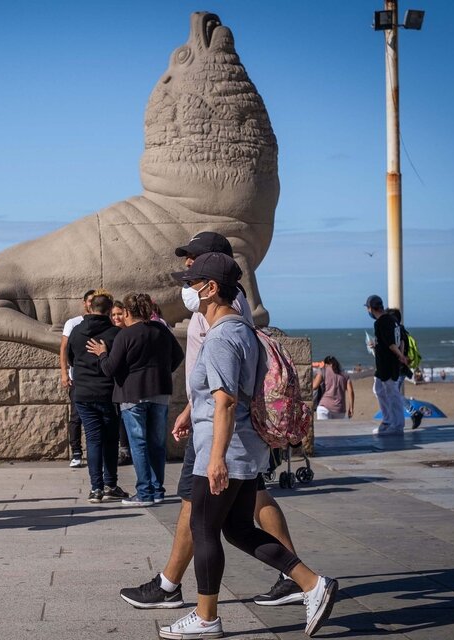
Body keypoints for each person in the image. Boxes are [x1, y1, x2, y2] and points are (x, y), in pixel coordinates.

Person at [121, 231, 304, 612]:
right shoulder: (225, 307)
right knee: (241, 510)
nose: (187, 269)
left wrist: (215, 450)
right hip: (217, 423)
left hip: (221, 431)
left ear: (211, 278)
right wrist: (191, 408)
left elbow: (224, 386)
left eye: (194, 261)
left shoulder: (222, 313)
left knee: (200, 514)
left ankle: (180, 593)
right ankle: (298, 577)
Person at [158, 252, 337, 639]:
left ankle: (206, 619)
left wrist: (216, 458)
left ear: (210, 289)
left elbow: (225, 400)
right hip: (246, 448)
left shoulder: (222, 336)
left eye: (191, 283)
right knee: (237, 530)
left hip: (224, 450)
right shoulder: (244, 330)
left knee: (205, 528)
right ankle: (312, 584)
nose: (186, 289)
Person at [88, 293, 184, 506]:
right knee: (157, 444)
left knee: (138, 444)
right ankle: (158, 490)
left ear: (128, 312)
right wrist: (162, 371)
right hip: (160, 393)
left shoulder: (126, 335)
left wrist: (102, 353)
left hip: (133, 394)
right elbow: (178, 356)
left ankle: (144, 493)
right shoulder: (161, 330)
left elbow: (109, 369)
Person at [67, 293, 130, 503]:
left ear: (89, 307)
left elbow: (71, 359)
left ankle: (96, 489)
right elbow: (121, 364)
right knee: (110, 440)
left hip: (83, 393)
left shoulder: (76, 332)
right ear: (109, 309)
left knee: (93, 439)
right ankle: (110, 484)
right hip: (107, 394)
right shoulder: (115, 334)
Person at [60, 289, 97, 468]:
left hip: (99, 378)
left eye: (95, 301)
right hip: (77, 378)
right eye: (90, 301)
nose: (91, 304)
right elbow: (64, 348)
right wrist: (64, 373)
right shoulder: (73, 323)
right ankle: (76, 452)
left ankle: (96, 453)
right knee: (76, 417)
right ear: (84, 303)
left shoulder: (105, 323)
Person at [366, 295, 408, 435]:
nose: (368, 311)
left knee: (392, 393)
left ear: (371, 308)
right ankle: (388, 420)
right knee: (378, 388)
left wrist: (400, 356)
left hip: (387, 364)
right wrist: (400, 355)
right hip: (387, 363)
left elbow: (391, 344)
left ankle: (397, 425)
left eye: (368, 308)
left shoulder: (380, 322)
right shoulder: (393, 320)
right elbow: (401, 340)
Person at [387, 308, 424, 429]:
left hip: (398, 368)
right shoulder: (403, 331)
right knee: (394, 394)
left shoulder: (398, 332)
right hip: (402, 368)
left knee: (394, 394)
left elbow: (396, 350)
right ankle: (400, 418)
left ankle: (413, 413)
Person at [110, 300, 133, 465]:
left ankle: (129, 450)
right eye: (113, 314)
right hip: (116, 383)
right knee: (121, 418)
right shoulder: (111, 334)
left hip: (130, 382)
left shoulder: (130, 333)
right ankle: (124, 450)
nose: (116, 317)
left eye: (119, 314)